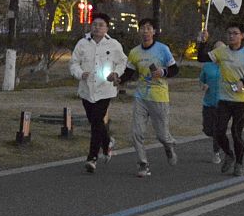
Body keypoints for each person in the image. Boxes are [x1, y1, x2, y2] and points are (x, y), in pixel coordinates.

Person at [117, 18, 179, 178]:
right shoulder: (134, 52)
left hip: (159, 97)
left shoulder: (162, 49)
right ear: (139, 31)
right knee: (136, 133)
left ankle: (169, 145)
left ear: (154, 31)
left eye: (148, 28)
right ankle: (143, 164)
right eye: (142, 28)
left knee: (162, 135)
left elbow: (174, 69)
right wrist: (118, 79)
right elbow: (129, 73)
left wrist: (163, 72)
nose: (145, 31)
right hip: (141, 97)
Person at [69, 12, 127, 174]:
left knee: (96, 122)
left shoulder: (114, 44)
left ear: (107, 28)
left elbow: (123, 61)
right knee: (94, 121)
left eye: (101, 25)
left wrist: (116, 73)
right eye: (95, 24)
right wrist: (80, 73)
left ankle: (92, 158)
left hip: (105, 89)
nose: (97, 27)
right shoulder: (82, 43)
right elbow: (74, 63)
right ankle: (107, 142)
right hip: (86, 89)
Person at [197, 25, 244, 172]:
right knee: (218, 131)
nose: (231, 36)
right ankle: (229, 155)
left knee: (236, 133)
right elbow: (201, 58)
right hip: (223, 99)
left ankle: (239, 164)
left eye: (235, 33)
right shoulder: (221, 51)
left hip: (241, 100)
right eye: (229, 33)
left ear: (242, 35)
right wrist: (202, 42)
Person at [199, 50, 222, 160]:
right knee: (208, 130)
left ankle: (216, 152)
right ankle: (218, 139)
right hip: (208, 102)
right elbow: (201, 81)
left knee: (217, 128)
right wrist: (203, 85)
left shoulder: (228, 66)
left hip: (223, 103)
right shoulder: (207, 66)